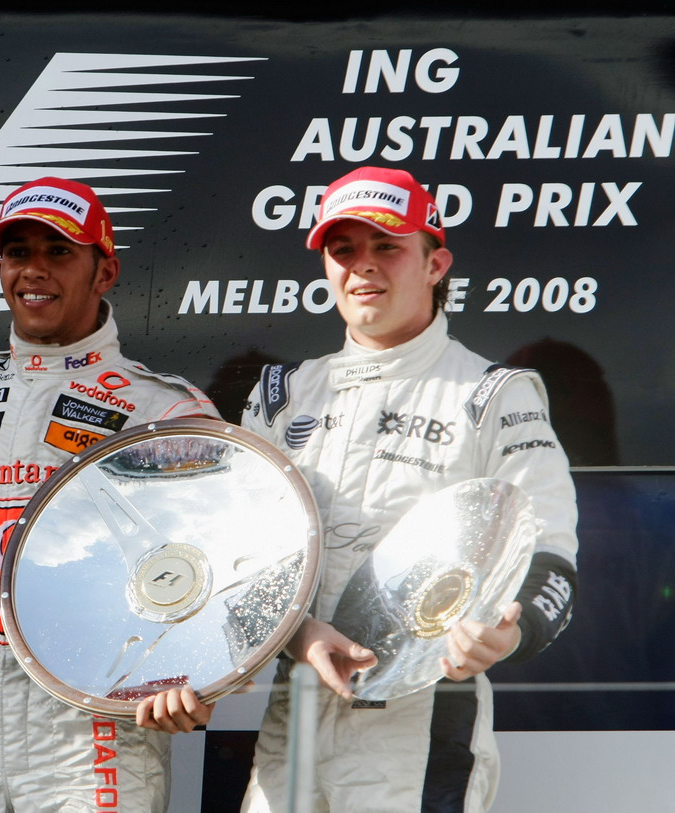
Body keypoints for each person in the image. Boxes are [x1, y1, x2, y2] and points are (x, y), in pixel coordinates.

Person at [238, 167, 579, 812]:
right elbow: (240, 553)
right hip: (293, 715)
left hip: (421, 726)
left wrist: (511, 632)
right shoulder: (283, 396)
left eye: (387, 246)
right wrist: (299, 634)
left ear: (434, 264)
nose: (362, 265)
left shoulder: (494, 395)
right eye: (343, 249)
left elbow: (550, 550)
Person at [0, 177, 222, 811]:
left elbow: (226, 562)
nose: (34, 270)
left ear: (104, 271)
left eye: (58, 252)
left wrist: (201, 675)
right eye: (17, 252)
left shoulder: (164, 409)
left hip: (93, 712)